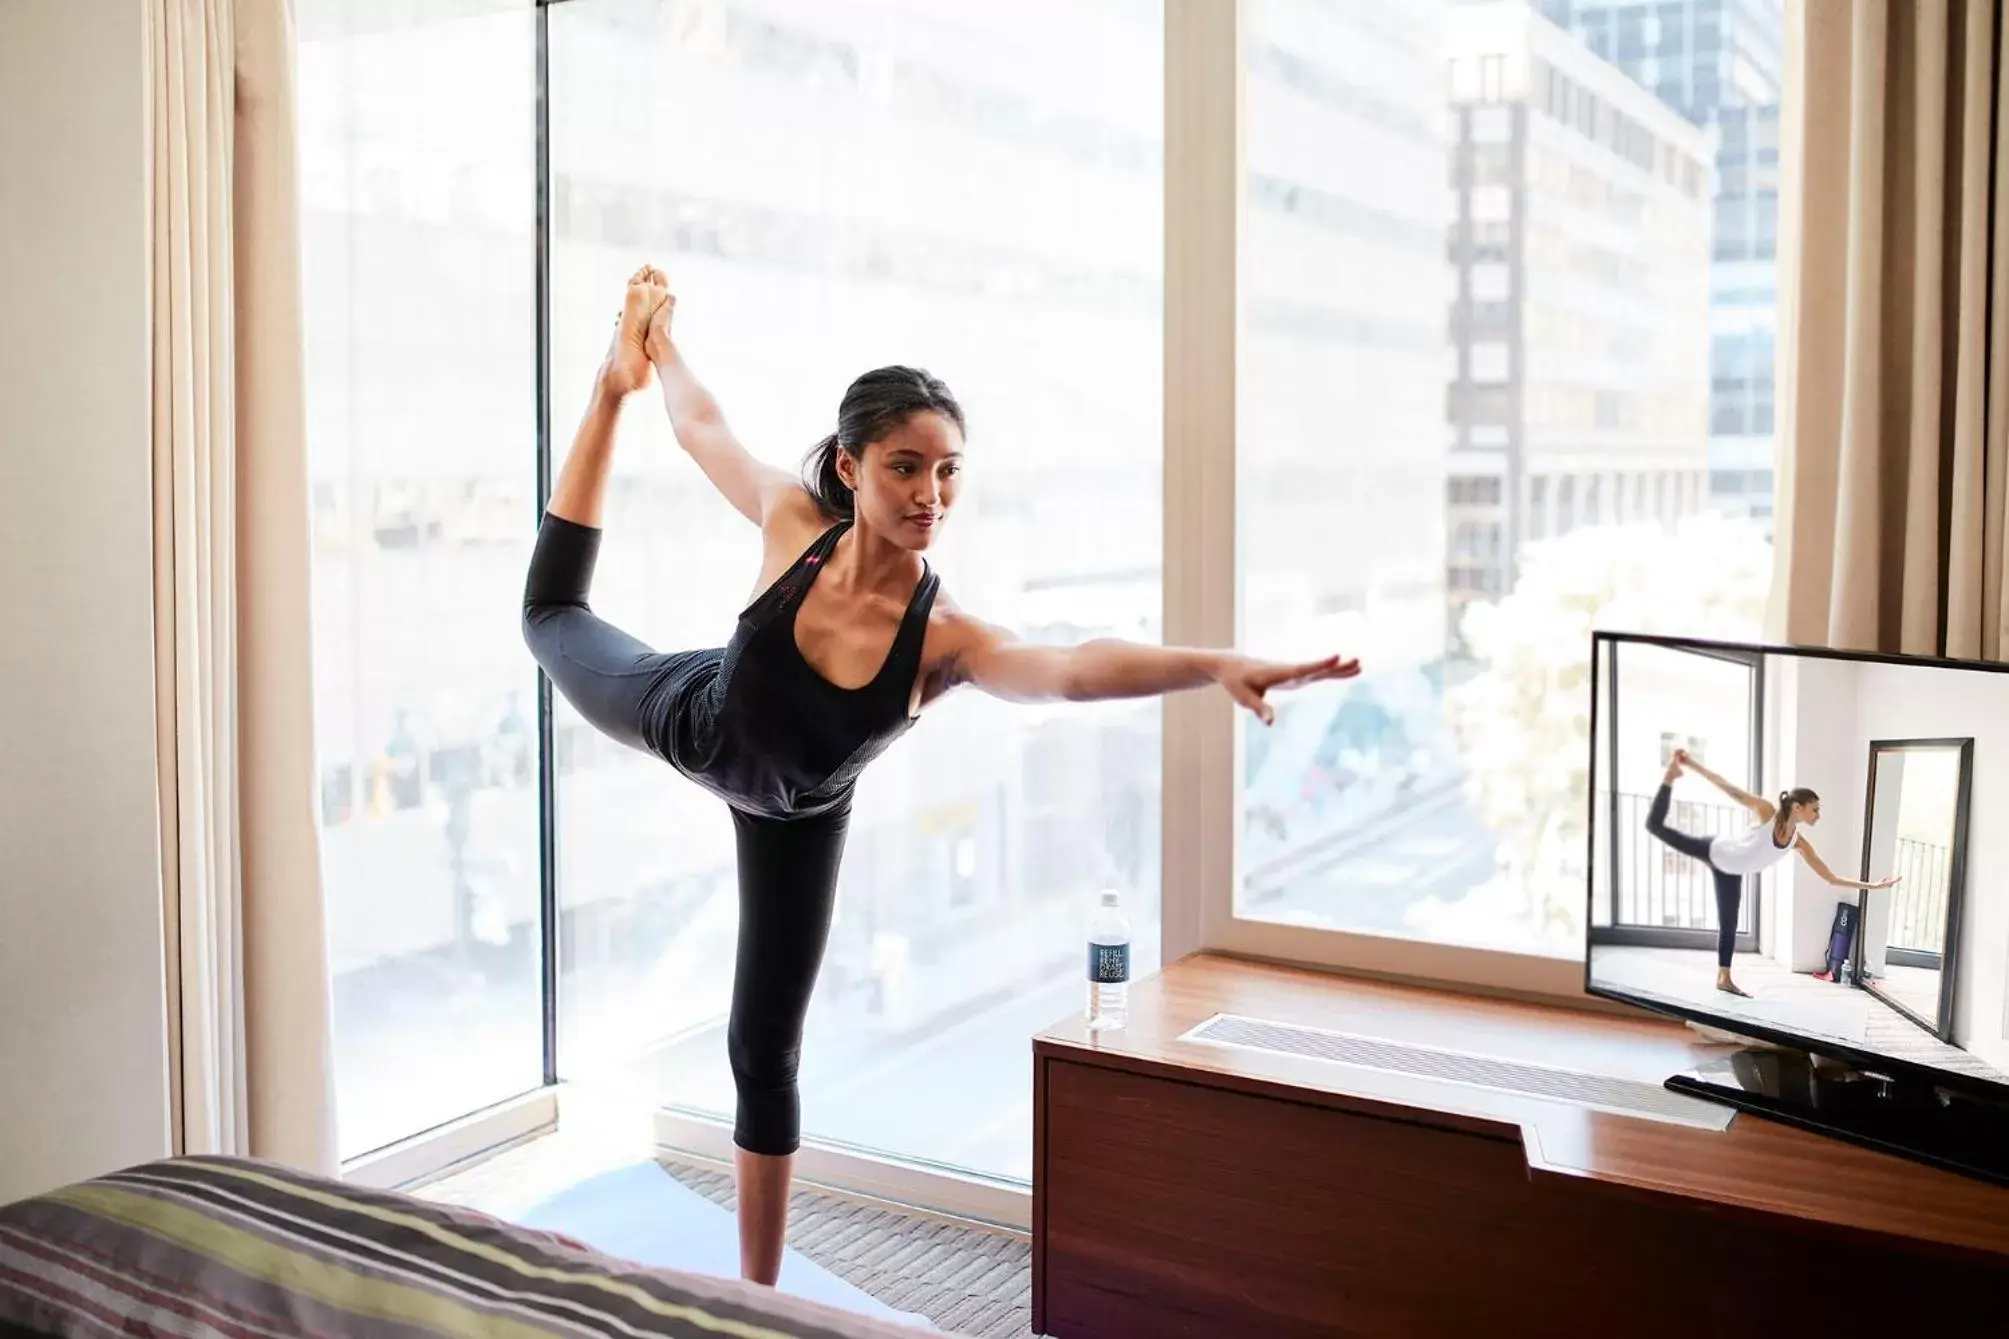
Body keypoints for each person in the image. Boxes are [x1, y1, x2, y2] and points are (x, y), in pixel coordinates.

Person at [522, 266, 1361, 1285]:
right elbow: (701, 426)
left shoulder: (944, 639)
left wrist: (1210, 664)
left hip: (799, 810)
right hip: (697, 718)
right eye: (905, 467)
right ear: (851, 465)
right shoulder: (794, 522)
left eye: (948, 471)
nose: (930, 495)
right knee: (549, 619)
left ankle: (761, 1299)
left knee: (764, 1047)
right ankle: (601, 393)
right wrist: (646, 360)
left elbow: (1066, 666)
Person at [1647, 747, 1898, 997]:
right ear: (1798, 808)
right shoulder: (1767, 813)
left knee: (1729, 922)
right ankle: (1670, 775)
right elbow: (1728, 788)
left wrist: (1874, 886)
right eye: (1815, 809)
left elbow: (1830, 878)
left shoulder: (1797, 842)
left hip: (1731, 872)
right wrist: (1692, 764)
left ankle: (1723, 977)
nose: (1818, 815)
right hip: (1715, 850)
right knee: (1655, 826)